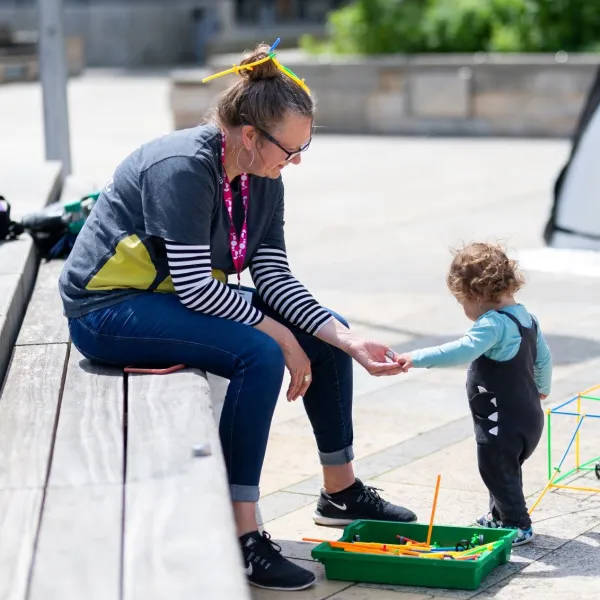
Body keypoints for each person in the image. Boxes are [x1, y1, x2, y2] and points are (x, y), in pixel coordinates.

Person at [58, 43, 417, 592]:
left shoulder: (262, 177)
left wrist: (346, 340)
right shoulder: (183, 168)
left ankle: (340, 493)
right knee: (260, 352)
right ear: (249, 135)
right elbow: (201, 289)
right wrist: (278, 335)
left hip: (169, 299)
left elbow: (272, 276)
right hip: (107, 310)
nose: (296, 160)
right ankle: (240, 533)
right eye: (290, 148)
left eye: (305, 147)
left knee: (324, 333)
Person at [396, 242, 552, 546]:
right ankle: (498, 516)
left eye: (462, 301)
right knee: (506, 470)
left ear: (476, 295)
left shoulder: (493, 324)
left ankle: (517, 524)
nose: (464, 309)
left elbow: (462, 350)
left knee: (495, 469)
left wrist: (416, 358)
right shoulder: (528, 320)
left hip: (499, 419)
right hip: (528, 417)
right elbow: (543, 358)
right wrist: (543, 388)